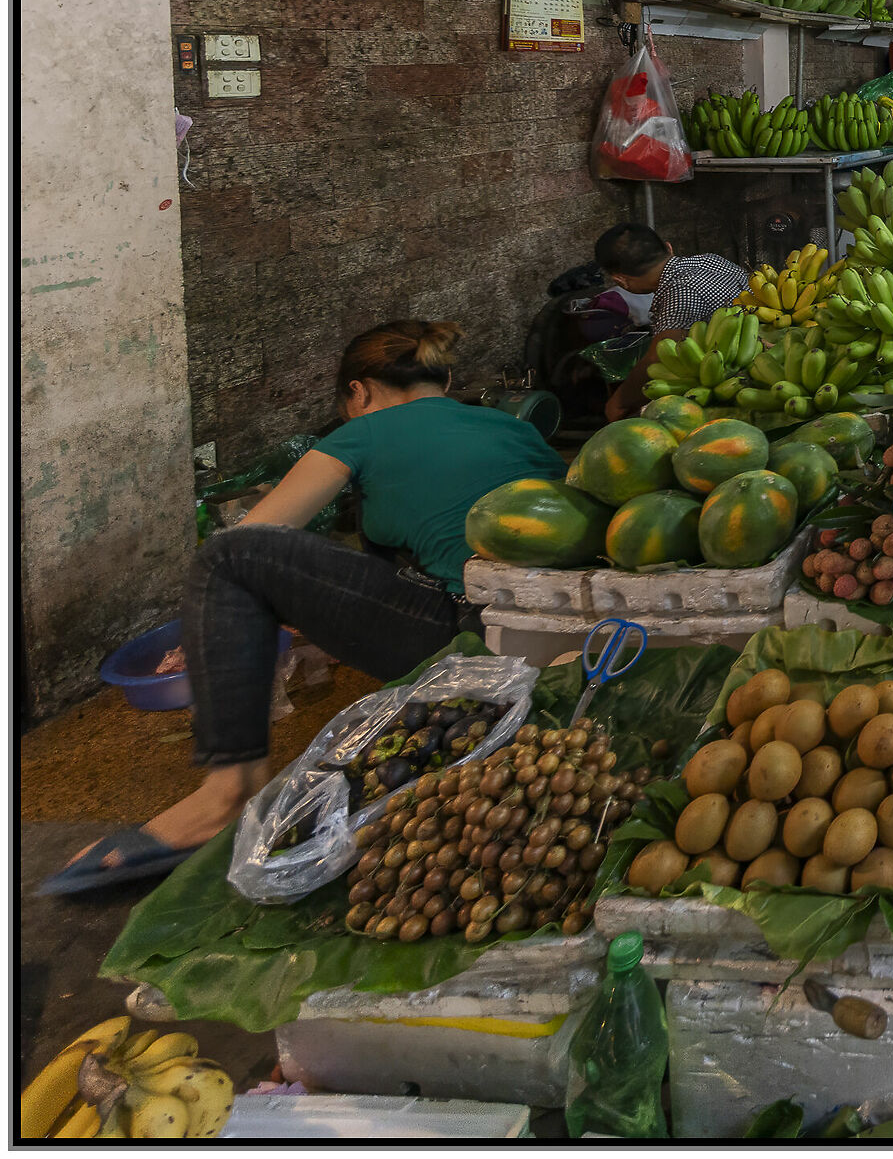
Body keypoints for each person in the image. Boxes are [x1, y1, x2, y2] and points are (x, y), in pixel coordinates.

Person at [42, 322, 567, 894]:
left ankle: (226, 793)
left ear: (358, 393)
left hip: (467, 635)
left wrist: (221, 629)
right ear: (447, 379)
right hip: (556, 636)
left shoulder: (362, 433)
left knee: (226, 560)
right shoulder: (511, 427)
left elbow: (253, 540)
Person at [597, 224, 749, 420]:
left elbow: (659, 357)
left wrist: (618, 403)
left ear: (621, 280)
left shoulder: (679, 294)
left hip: (736, 382)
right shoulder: (710, 260)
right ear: (669, 248)